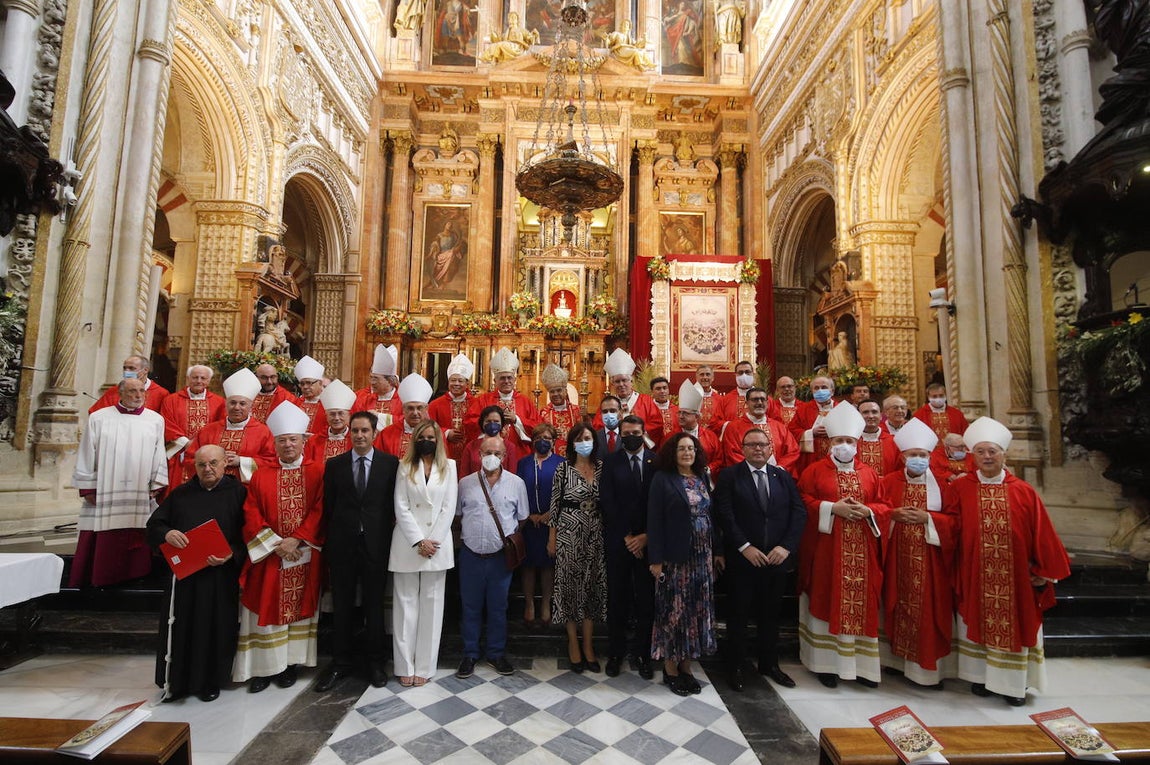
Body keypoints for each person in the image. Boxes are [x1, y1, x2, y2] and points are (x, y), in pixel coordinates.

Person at [947, 416, 1070, 706]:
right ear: (972, 456)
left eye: (992, 451)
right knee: (977, 621)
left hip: (1017, 577)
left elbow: (1042, 533)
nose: (987, 457)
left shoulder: (1023, 491)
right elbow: (951, 526)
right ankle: (983, 679)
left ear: (1004, 453)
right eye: (981, 452)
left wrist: (1043, 571)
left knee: (1017, 623)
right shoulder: (961, 488)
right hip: (976, 572)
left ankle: (1014, 686)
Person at [796, 401, 890, 688]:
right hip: (827, 549)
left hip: (862, 552)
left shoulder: (869, 473)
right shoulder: (814, 471)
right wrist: (831, 508)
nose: (844, 445)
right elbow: (802, 502)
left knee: (862, 603)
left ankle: (863, 668)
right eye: (839, 440)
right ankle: (825, 664)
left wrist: (870, 511)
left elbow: (885, 505)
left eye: (849, 440)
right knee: (826, 598)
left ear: (857, 442)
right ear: (830, 443)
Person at [233, 402, 325, 693]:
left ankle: (290, 666)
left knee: (298, 609)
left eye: (293, 439)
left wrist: (296, 539)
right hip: (269, 555)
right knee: (266, 607)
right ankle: (263, 669)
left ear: (304, 441)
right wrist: (275, 544)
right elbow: (250, 511)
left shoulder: (318, 472)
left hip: (303, 552)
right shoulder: (260, 474)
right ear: (274, 442)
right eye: (282, 440)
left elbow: (321, 509)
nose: (288, 445)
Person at [147, 445, 246, 703]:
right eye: (202, 465)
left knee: (214, 628)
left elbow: (247, 535)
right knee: (183, 628)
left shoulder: (238, 493)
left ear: (225, 464)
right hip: (186, 578)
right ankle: (177, 682)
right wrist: (167, 534)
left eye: (213, 463)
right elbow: (155, 524)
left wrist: (231, 555)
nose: (208, 469)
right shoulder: (181, 493)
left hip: (219, 577)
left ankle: (210, 681)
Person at [713, 428, 805, 692]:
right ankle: (736, 666)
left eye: (762, 445)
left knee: (770, 616)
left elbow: (798, 513)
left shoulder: (782, 477)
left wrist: (786, 547)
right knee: (738, 615)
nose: (757, 449)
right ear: (742, 449)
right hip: (743, 560)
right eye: (751, 444)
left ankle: (770, 664)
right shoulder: (731, 476)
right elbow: (724, 514)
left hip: (776, 559)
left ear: (771, 448)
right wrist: (745, 546)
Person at [314, 411, 399, 692]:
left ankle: (375, 663)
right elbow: (329, 506)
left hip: (376, 545)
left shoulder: (390, 464)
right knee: (342, 605)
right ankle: (340, 663)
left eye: (365, 431)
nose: (360, 435)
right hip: (343, 546)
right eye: (355, 431)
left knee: (374, 606)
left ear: (375, 433)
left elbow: (392, 506)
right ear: (349, 433)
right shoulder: (335, 465)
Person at [879, 418, 956, 688]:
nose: (918, 459)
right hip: (898, 558)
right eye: (913, 455)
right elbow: (878, 513)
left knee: (929, 610)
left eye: (922, 455)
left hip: (931, 561)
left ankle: (927, 672)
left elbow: (955, 521)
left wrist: (928, 519)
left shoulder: (945, 485)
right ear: (902, 456)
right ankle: (896, 662)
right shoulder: (888, 482)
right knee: (896, 605)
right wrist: (892, 514)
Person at [70, 378, 168, 587]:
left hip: (139, 489)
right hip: (105, 490)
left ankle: (135, 575)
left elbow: (159, 453)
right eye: (132, 391)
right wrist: (88, 486)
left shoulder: (155, 420)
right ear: (120, 393)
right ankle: (100, 576)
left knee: (138, 530)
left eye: (142, 391)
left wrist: (156, 483)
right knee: (103, 532)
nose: (138, 395)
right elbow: (88, 452)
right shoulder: (99, 418)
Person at [647, 432, 721, 696]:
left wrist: (717, 552)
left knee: (696, 611)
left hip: (702, 558)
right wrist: (655, 559)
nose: (687, 453)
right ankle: (670, 668)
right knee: (674, 612)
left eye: (691, 448)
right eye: (682, 449)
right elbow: (654, 521)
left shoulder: (702, 477)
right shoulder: (662, 479)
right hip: (675, 559)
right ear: (672, 453)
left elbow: (712, 517)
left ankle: (687, 665)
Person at [455, 435, 531, 678]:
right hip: (471, 556)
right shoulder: (465, 483)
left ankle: (496, 653)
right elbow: (458, 515)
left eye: (497, 453)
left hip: (500, 557)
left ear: (504, 456)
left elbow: (522, 518)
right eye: (487, 452)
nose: (492, 457)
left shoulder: (516, 483)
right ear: (478, 454)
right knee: (470, 607)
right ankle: (470, 653)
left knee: (499, 607)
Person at [389, 419, 457, 687]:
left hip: (437, 545)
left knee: (432, 605)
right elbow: (401, 505)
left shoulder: (449, 467)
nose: (426, 440)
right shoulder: (404, 466)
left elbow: (448, 507)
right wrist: (419, 540)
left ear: (438, 440)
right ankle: (404, 664)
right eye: (421, 436)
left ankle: (426, 667)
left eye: (431, 436)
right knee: (405, 606)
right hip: (408, 543)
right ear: (414, 440)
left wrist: (433, 540)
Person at [600, 414, 657, 678]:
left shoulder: (656, 461)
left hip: (649, 542)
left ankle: (643, 653)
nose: (631, 437)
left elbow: (660, 503)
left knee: (646, 600)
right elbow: (607, 501)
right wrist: (627, 536)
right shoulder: (611, 462)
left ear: (643, 433)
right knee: (618, 599)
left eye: (636, 432)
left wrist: (645, 535)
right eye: (626, 433)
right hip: (619, 541)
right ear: (620, 435)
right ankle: (616, 652)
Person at [547, 423, 607, 673]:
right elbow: (555, 505)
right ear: (572, 443)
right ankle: (573, 642)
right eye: (580, 438)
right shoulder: (563, 468)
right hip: (569, 532)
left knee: (592, 587)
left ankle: (589, 646)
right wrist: (552, 537)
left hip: (597, 532)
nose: (585, 442)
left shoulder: (603, 467)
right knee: (570, 587)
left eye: (589, 438)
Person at [184, 368, 275, 484]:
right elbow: (190, 459)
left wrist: (241, 462)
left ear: (251, 407)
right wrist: (212, 463)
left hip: (245, 491)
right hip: (210, 490)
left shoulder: (263, 432)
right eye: (232, 403)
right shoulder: (208, 430)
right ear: (226, 405)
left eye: (242, 403)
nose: (236, 407)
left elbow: (272, 461)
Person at [516, 423, 562, 628]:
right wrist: (529, 515)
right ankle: (529, 605)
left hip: (551, 523)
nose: (542, 441)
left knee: (547, 566)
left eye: (547, 437)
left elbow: (565, 493)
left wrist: (549, 514)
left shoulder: (562, 463)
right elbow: (517, 490)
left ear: (554, 441)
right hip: (528, 521)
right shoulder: (523, 463)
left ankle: (545, 603)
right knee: (528, 565)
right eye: (538, 437)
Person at [465, 346, 539, 460]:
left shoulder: (525, 401)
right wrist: (490, 423)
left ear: (514, 380)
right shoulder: (483, 400)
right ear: (495, 381)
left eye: (510, 378)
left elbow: (537, 427)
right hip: (490, 453)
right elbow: (470, 423)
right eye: (502, 378)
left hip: (519, 453)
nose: (506, 381)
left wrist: (517, 420)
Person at [160, 364, 225, 487]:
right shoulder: (171, 400)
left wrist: (203, 445)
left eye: (203, 378)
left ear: (209, 380)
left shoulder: (219, 402)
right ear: (188, 378)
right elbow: (167, 423)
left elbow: (220, 426)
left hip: (208, 453)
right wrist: (186, 443)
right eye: (195, 377)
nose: (199, 381)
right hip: (180, 451)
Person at [719, 387, 800, 477]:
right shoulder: (733, 427)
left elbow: (793, 451)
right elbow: (732, 454)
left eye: (763, 399)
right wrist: (758, 470)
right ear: (746, 404)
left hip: (777, 476)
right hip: (746, 478)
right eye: (755, 400)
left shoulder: (779, 427)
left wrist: (779, 467)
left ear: (767, 403)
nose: (759, 403)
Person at [598, 349, 662, 447]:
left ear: (631, 381)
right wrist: (614, 426)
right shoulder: (608, 404)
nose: (621, 384)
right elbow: (598, 426)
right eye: (617, 381)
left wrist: (637, 430)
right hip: (615, 448)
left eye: (624, 380)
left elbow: (657, 424)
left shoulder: (646, 401)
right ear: (612, 383)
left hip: (641, 447)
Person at [427, 353, 475, 465]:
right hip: (443, 453)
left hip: (469, 453)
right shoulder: (435, 405)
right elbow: (428, 427)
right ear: (448, 382)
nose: (456, 384)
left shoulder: (476, 403)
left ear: (467, 383)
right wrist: (446, 433)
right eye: (453, 380)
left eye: (460, 380)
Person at [376, 373, 433, 457]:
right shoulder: (387, 434)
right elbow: (378, 462)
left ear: (426, 409)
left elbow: (442, 464)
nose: (415, 413)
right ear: (403, 410)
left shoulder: (434, 434)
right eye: (410, 408)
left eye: (419, 408)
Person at [790, 375, 837, 476]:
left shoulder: (841, 409)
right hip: (810, 460)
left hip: (836, 460)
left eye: (824, 387)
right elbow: (791, 432)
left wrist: (834, 432)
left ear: (832, 391)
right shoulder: (803, 409)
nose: (820, 390)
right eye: (816, 388)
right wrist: (811, 433)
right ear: (812, 391)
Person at [88, 354, 169, 413]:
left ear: (145, 370)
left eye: (131, 368)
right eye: (125, 368)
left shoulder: (161, 393)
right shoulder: (114, 391)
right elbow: (96, 414)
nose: (127, 371)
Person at [675, 380, 722, 479]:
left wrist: (708, 469)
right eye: (679, 413)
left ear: (697, 417)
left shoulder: (710, 437)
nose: (681, 416)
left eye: (685, 413)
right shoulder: (671, 437)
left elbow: (719, 459)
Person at [304, 379, 356, 462]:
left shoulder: (356, 439)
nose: (336, 418)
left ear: (348, 415)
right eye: (332, 414)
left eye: (340, 413)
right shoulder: (314, 441)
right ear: (326, 416)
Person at [354, 344, 403, 429]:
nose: (372, 382)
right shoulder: (363, 398)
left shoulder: (402, 400)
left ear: (389, 381)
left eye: (376, 378)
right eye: (371, 377)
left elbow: (406, 423)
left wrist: (378, 417)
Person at [460, 405, 517, 476]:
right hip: (474, 485)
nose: (492, 424)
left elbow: (512, 476)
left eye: (496, 421)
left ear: (502, 423)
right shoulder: (471, 446)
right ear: (482, 423)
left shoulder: (510, 447)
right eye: (488, 421)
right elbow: (464, 475)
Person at [538, 364, 580, 455]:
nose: (556, 394)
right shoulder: (543, 413)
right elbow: (538, 437)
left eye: (559, 390)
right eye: (552, 391)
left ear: (565, 391)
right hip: (551, 458)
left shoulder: (577, 411)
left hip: (574, 457)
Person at [856, 399, 899, 477]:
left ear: (881, 416)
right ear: (857, 416)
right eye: (865, 412)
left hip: (886, 487)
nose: (871, 416)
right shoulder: (852, 441)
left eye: (874, 412)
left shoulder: (894, 441)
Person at [426, 218, 467, 289]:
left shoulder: (454, 235)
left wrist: (457, 248)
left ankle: (443, 284)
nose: (449, 226)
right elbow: (435, 243)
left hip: (450, 253)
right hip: (441, 254)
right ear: (444, 225)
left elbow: (457, 244)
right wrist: (434, 248)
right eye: (448, 224)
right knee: (439, 264)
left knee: (451, 255)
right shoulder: (439, 235)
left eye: (451, 225)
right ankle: (434, 283)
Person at [292, 355, 328, 435]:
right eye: (302, 383)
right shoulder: (295, 404)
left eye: (309, 383)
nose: (305, 387)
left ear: (320, 383)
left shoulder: (328, 404)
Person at [717, 360, 756, 424]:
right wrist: (730, 425)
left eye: (747, 372)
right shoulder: (725, 400)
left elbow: (773, 422)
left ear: (753, 374)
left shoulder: (764, 399)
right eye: (740, 373)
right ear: (735, 375)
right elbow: (716, 422)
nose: (744, 375)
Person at [649, 376, 678, 446]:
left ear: (668, 390)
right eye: (658, 389)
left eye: (665, 388)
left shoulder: (677, 410)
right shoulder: (647, 410)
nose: (662, 391)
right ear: (652, 391)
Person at [693, 365, 721, 431]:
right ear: (696, 378)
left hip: (714, 436)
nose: (705, 377)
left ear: (713, 378)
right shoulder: (690, 396)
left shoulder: (720, 399)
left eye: (708, 374)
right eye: (702, 375)